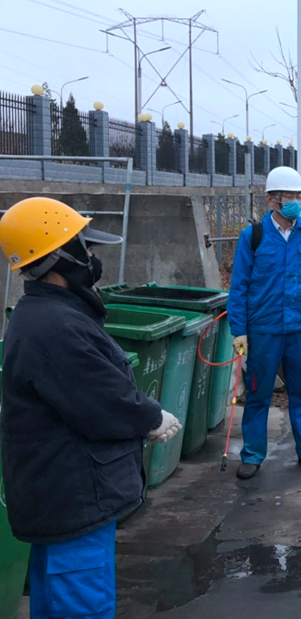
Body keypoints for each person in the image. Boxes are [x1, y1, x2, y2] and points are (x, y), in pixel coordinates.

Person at [0, 197, 181, 619]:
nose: (93, 257)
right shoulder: (56, 326)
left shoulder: (45, 314)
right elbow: (101, 399)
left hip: (60, 499)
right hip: (75, 501)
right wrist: (151, 418)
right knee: (83, 609)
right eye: (86, 248)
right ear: (59, 259)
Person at [227, 166, 301, 480]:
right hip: (264, 330)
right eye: (289, 197)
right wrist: (240, 331)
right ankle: (253, 455)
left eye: (299, 196)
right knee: (258, 394)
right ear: (271, 199)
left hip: (300, 330)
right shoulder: (254, 237)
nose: (295, 203)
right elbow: (239, 287)